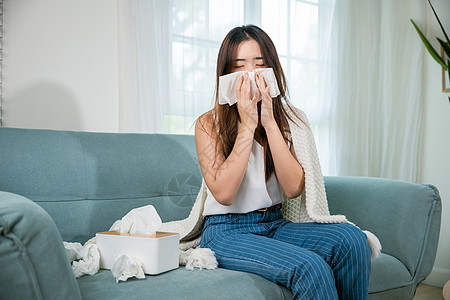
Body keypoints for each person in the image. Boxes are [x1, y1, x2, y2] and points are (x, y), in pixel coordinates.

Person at [194, 25, 372, 299]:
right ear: (226, 74)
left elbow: (292, 189)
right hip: (226, 232)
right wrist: (248, 124)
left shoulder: (290, 120)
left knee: (352, 240)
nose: (250, 74)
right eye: (239, 66)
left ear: (272, 71)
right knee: (311, 268)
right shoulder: (208, 124)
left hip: (274, 223)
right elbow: (224, 193)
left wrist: (268, 122)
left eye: (259, 65)